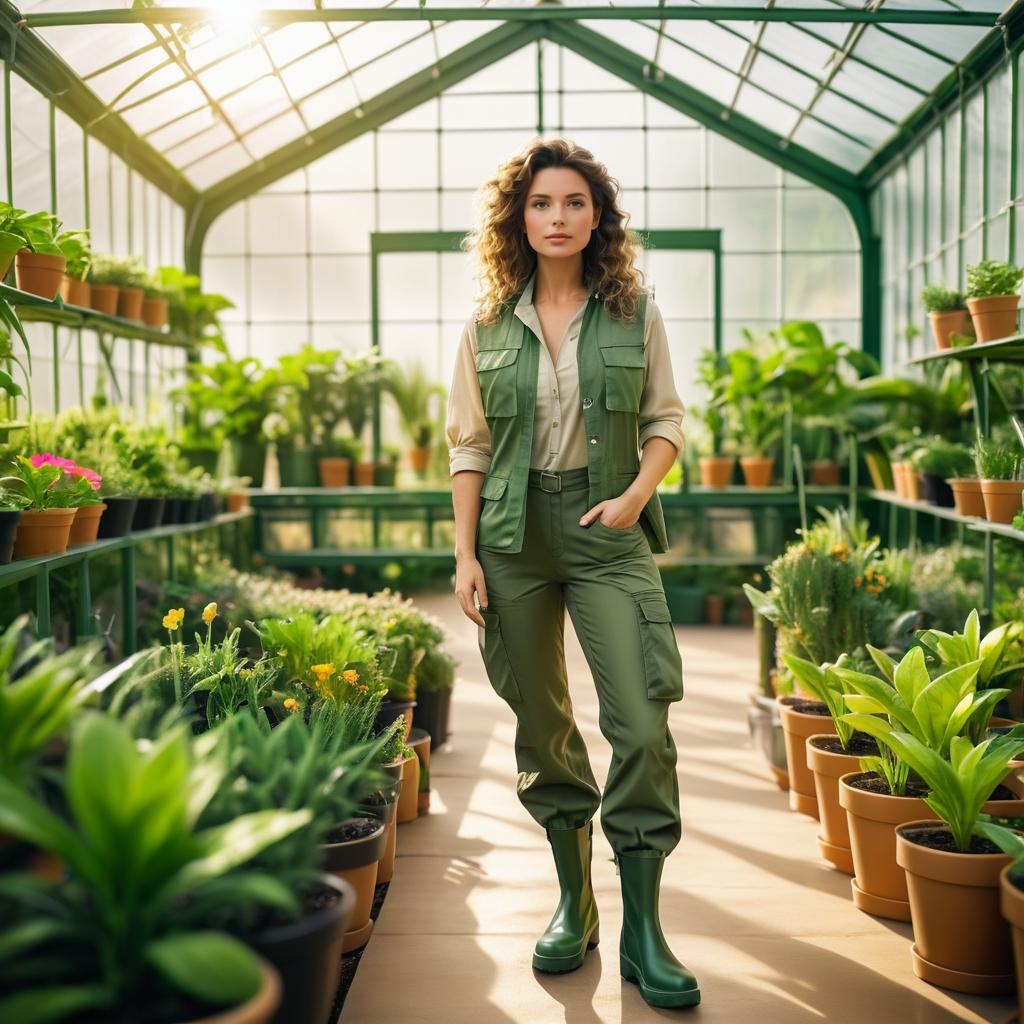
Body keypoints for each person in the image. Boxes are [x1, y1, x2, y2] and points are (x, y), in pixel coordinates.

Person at [444, 137, 699, 1010]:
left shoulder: (635, 313)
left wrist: (636, 495)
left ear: (599, 219)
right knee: (542, 722)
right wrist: (464, 553)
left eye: (575, 204)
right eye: (542, 204)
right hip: (514, 539)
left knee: (640, 719)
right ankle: (574, 899)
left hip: (607, 532)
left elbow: (667, 418)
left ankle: (645, 930)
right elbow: (470, 446)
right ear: (520, 218)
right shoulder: (484, 327)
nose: (558, 218)